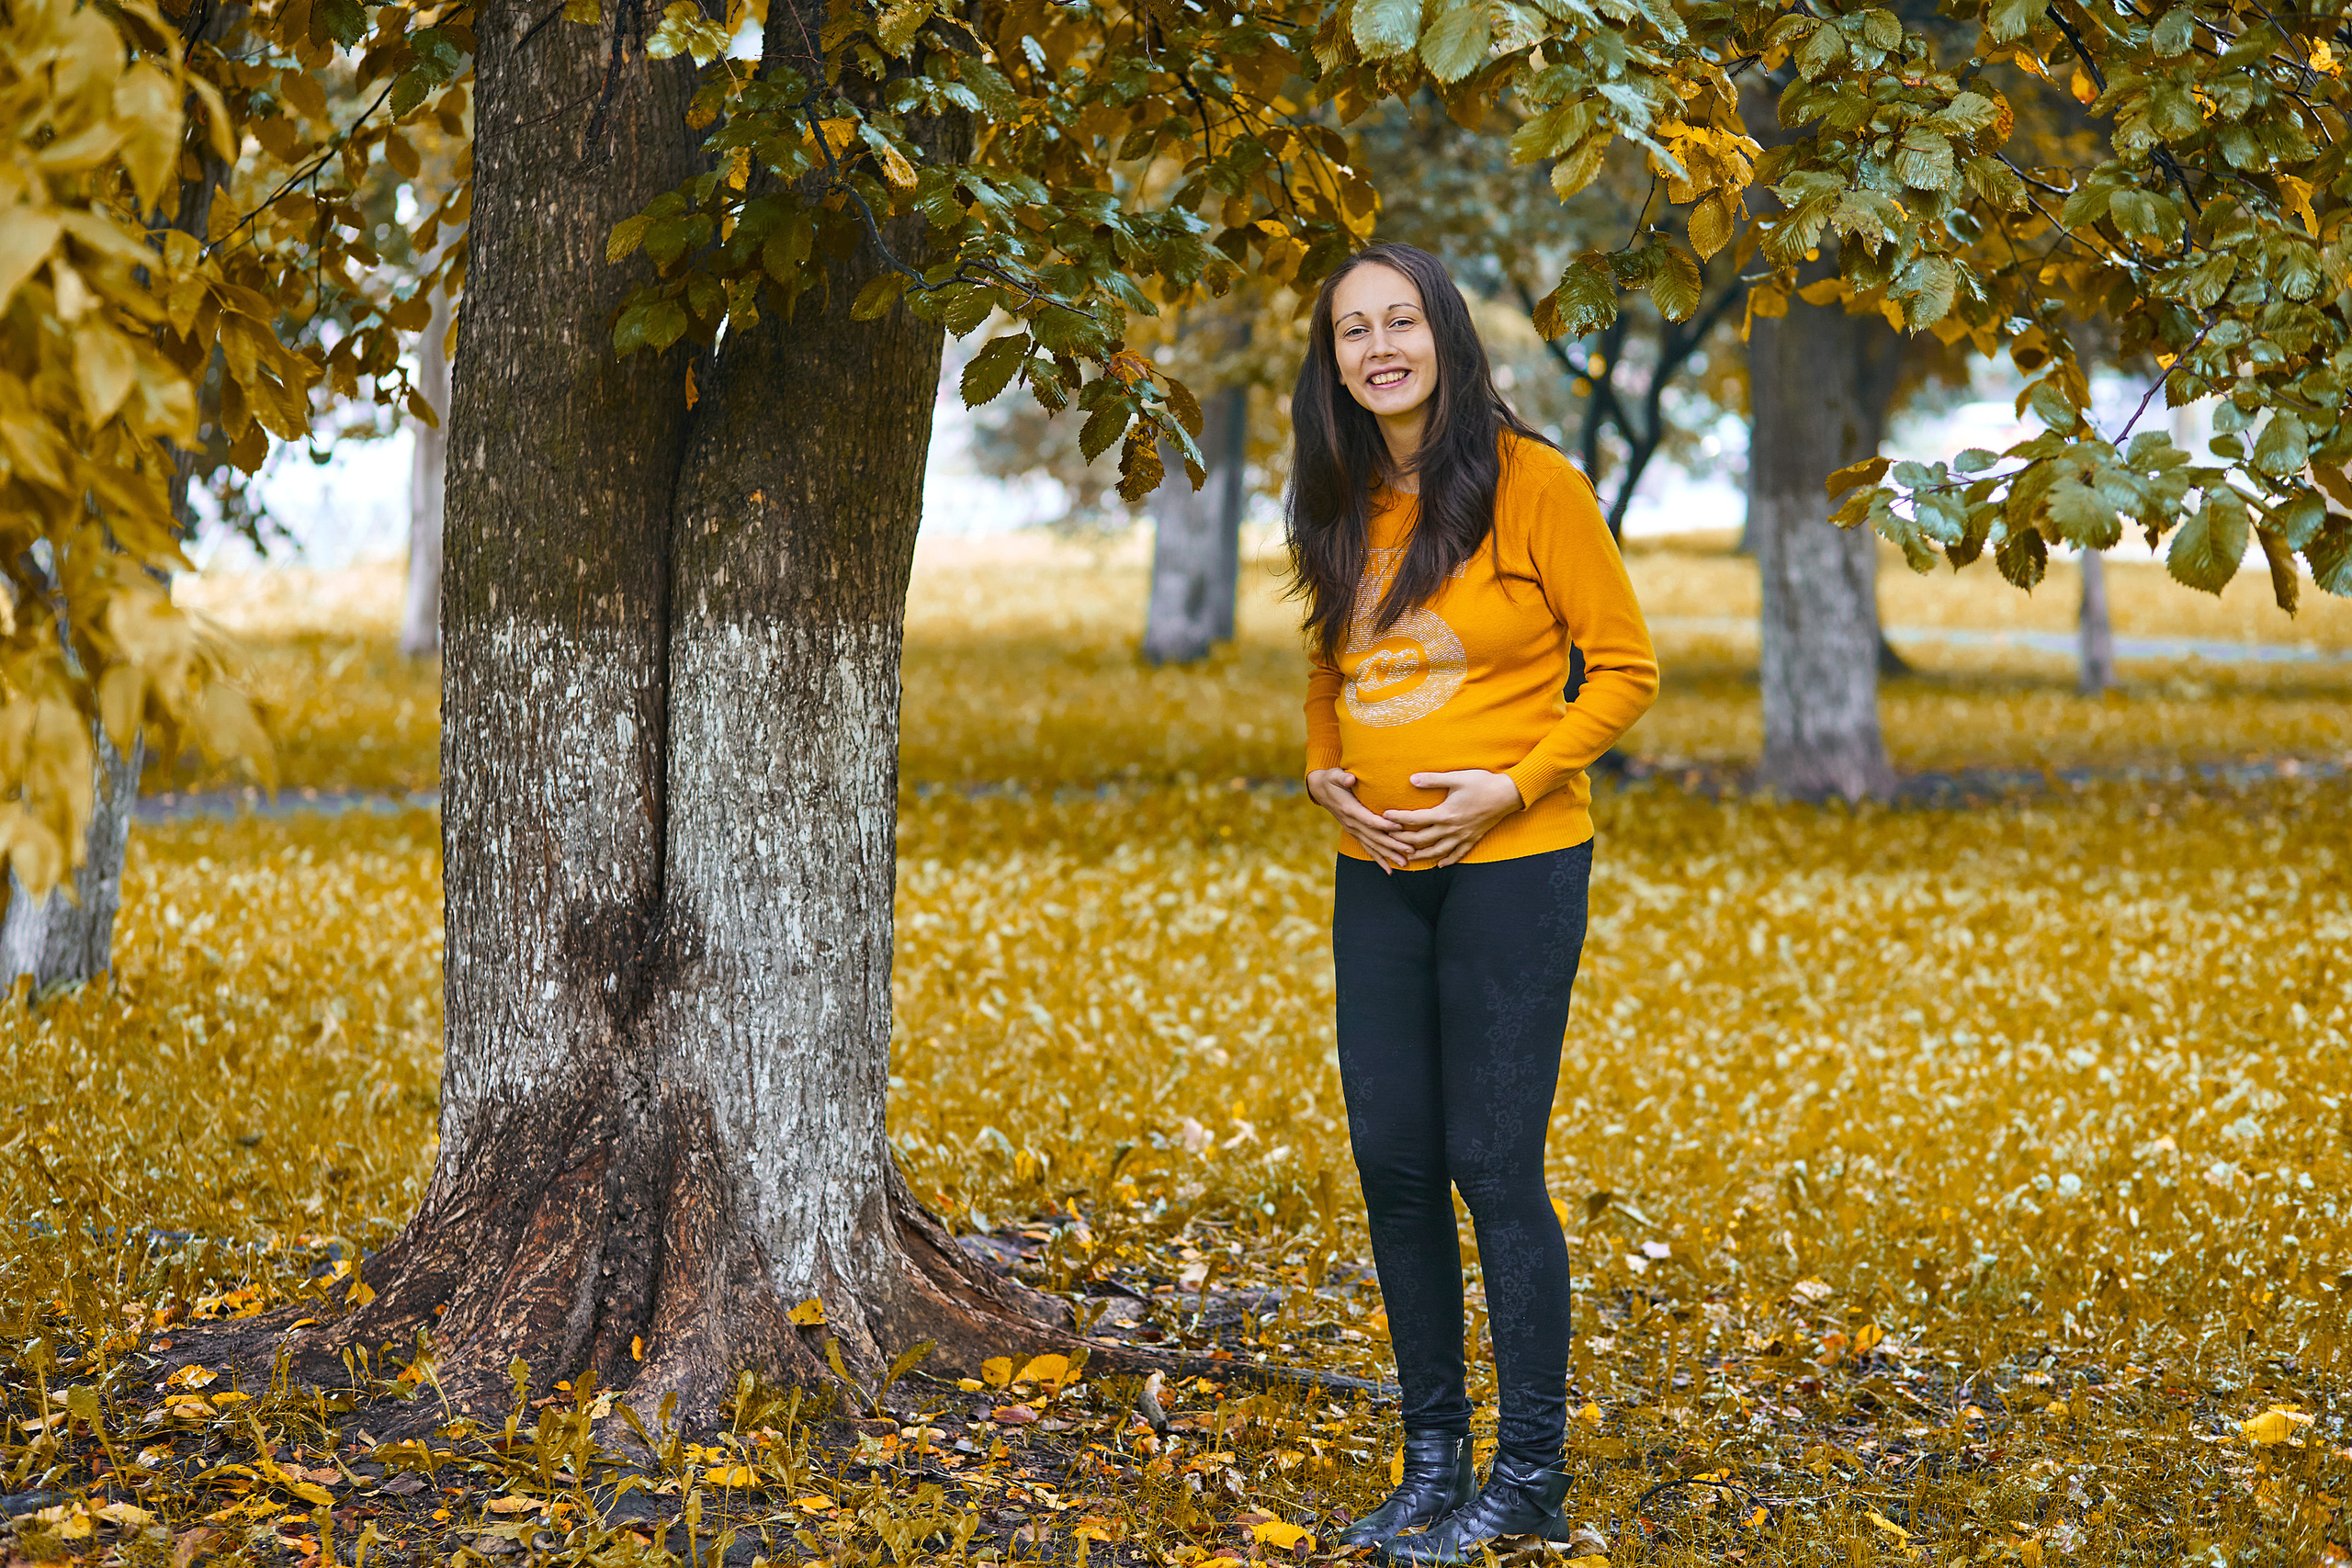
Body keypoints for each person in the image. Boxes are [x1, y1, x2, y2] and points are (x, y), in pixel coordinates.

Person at [1288, 243, 1657, 1563]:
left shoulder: (1534, 484)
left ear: (1444, 335)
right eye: (1352, 332)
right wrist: (1329, 782)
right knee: (1395, 1163)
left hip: (1516, 867)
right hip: (1378, 874)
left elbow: (1623, 669)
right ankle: (1432, 1461)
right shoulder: (1337, 497)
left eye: (1400, 322)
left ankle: (1532, 1478)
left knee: (1491, 1165)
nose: (1378, 347)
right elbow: (1334, 674)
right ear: (1331, 361)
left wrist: (1508, 789)